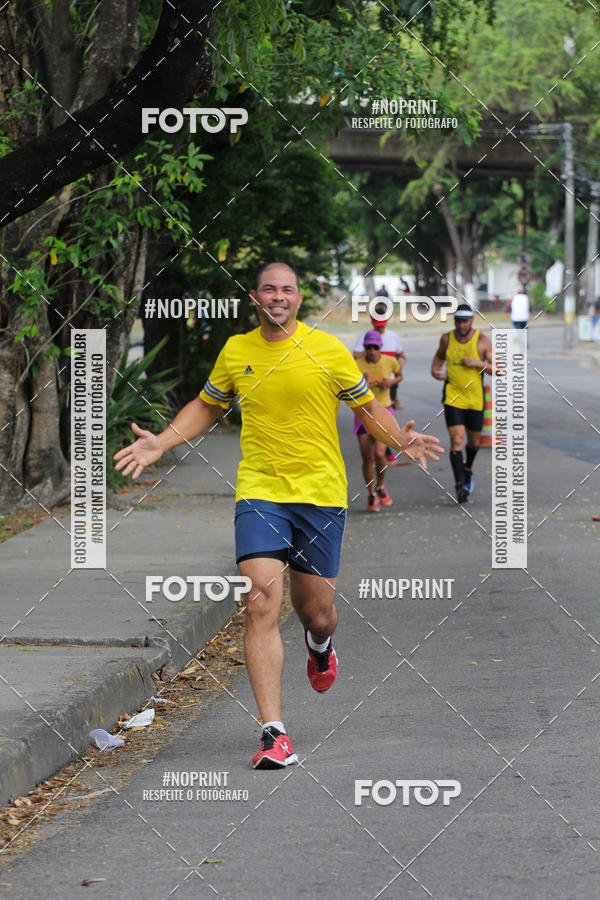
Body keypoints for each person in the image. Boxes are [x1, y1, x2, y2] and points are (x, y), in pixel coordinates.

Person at [115, 263, 443, 769]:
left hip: (320, 494)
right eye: (269, 288)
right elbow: (207, 405)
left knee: (317, 611)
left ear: (298, 297)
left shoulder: (328, 349)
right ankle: (274, 733)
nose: (278, 296)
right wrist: (161, 441)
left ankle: (320, 644)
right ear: (255, 297)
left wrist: (400, 438)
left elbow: (367, 407)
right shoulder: (237, 350)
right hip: (260, 492)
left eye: (287, 289)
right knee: (261, 601)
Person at [431, 303, 497, 504]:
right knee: (457, 440)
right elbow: (439, 356)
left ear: (472, 321)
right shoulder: (446, 339)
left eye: (464, 321)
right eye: (457, 321)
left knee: (474, 443)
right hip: (453, 396)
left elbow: (498, 369)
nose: (460, 325)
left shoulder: (483, 342)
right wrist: (435, 370)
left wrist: (477, 363)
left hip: (475, 399)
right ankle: (459, 484)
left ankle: (467, 470)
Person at [354, 331, 403, 511]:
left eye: (375, 347)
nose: (372, 350)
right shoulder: (357, 365)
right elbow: (347, 388)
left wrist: (390, 382)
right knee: (367, 458)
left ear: (381, 347)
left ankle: (381, 486)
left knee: (380, 454)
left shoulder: (390, 361)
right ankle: (371, 494)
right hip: (363, 414)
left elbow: (399, 375)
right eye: (368, 347)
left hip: (385, 411)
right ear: (364, 348)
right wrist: (361, 383)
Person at [354, 298, 406, 429]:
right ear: (372, 322)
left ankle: (385, 446)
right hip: (370, 380)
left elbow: (401, 355)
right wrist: (372, 351)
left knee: (389, 409)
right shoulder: (365, 336)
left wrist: (400, 362)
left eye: (382, 324)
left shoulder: (393, 336)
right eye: (377, 324)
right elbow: (356, 355)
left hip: (388, 378)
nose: (380, 327)